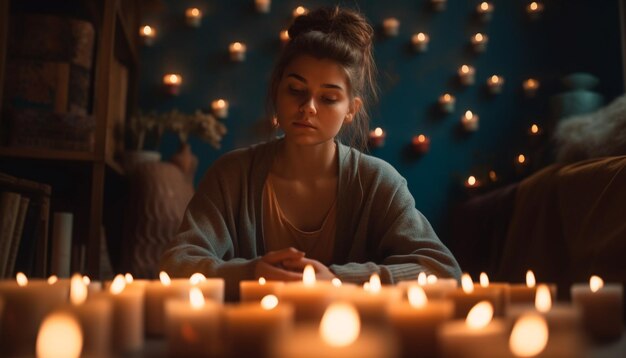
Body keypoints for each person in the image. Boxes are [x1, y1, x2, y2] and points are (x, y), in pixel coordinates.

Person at [160, 6, 461, 300]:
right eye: (295, 90)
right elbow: (176, 262)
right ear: (277, 90)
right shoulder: (232, 175)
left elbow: (443, 270)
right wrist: (250, 273)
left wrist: (340, 281)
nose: (309, 108)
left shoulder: (377, 182)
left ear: (351, 110)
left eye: (329, 98)